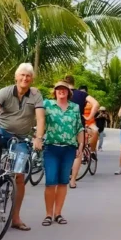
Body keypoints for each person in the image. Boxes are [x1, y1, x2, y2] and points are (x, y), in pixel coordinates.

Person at [0, 63, 45, 231]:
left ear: (32, 79)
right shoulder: (6, 91)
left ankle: (15, 217)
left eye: (28, 76)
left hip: (21, 138)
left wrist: (38, 138)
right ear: (16, 77)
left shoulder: (36, 95)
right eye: (22, 75)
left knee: (19, 177)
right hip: (1, 131)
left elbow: (40, 118)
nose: (25, 78)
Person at [42, 81, 84, 226]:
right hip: (51, 147)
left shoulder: (75, 108)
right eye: (58, 89)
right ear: (54, 92)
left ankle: (58, 213)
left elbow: (79, 127)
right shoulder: (47, 104)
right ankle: (48, 214)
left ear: (68, 92)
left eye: (64, 89)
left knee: (63, 182)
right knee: (50, 181)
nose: (61, 91)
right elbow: (37, 116)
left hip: (69, 148)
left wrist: (81, 145)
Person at [64, 76, 99, 189]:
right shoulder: (82, 94)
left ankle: (63, 176)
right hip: (79, 125)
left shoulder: (62, 92)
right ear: (74, 83)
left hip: (63, 125)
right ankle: (73, 181)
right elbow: (96, 104)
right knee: (78, 153)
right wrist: (89, 117)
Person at [79, 85, 100, 154]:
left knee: (96, 131)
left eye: (84, 93)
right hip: (80, 123)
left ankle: (92, 151)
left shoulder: (91, 103)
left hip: (90, 123)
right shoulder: (76, 102)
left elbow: (96, 110)